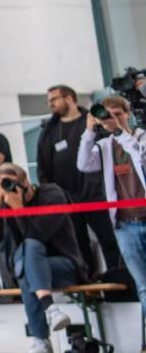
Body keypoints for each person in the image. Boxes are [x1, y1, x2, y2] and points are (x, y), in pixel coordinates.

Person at [0, 163, 86, 353]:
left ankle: (40, 339)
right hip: (34, 273)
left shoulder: (52, 195)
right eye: (3, 185)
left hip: (65, 266)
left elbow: (36, 236)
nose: (9, 188)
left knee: (29, 249)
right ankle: (50, 310)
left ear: (26, 182)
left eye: (11, 183)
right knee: (25, 268)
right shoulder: (6, 202)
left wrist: (19, 210)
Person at [38, 85, 120, 274]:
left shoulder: (91, 121)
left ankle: (119, 280)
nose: (51, 105)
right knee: (78, 244)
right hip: (67, 200)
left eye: (54, 100)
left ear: (69, 98)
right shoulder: (49, 131)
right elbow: (43, 168)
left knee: (108, 239)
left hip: (97, 195)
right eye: (49, 101)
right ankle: (90, 285)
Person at [78, 95, 146, 318]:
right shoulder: (105, 146)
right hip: (125, 226)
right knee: (144, 286)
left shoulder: (142, 137)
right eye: (108, 116)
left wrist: (118, 131)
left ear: (128, 114)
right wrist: (89, 132)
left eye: (118, 114)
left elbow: (139, 154)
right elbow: (84, 164)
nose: (113, 119)